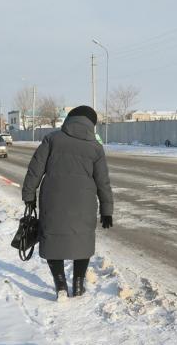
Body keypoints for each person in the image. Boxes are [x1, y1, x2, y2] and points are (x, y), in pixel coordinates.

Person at [22, 105, 114, 301]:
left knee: (53, 239)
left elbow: (35, 170)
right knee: (82, 240)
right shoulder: (96, 147)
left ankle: (60, 284)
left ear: (70, 119)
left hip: (53, 200)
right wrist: (107, 210)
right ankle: (79, 284)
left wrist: (29, 196)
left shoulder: (52, 139)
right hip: (84, 202)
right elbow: (103, 182)